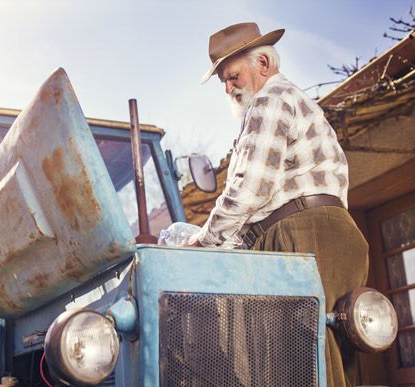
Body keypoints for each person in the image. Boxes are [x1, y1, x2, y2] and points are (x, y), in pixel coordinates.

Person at [187, 22, 369, 387]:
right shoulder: (292, 101)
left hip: (301, 235)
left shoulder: (269, 100)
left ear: (264, 64)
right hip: (327, 232)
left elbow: (249, 191)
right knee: (326, 360)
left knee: (292, 366)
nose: (228, 87)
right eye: (223, 80)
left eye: (232, 75)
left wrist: (202, 244)